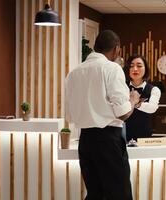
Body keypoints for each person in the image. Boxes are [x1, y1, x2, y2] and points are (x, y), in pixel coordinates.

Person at [65, 30, 140, 200]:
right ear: (117, 50)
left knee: (95, 194)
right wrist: (133, 100)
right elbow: (123, 114)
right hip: (108, 141)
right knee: (120, 195)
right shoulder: (111, 68)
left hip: (85, 142)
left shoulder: (74, 73)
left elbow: (69, 115)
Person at [123, 54, 161, 141]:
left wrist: (136, 103)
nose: (135, 69)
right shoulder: (122, 87)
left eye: (139, 66)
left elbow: (152, 108)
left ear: (145, 69)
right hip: (122, 135)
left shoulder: (154, 90)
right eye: (131, 66)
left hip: (145, 136)